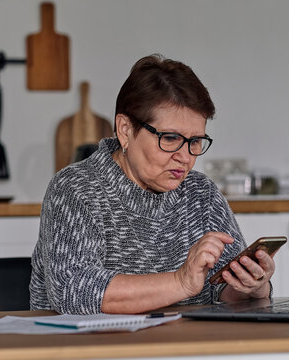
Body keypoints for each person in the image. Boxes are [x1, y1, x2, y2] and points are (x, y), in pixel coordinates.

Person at [30, 54, 275, 314]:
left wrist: (255, 285)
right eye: (170, 138)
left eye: (195, 142)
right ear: (125, 129)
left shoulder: (201, 194)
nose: (186, 157)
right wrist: (180, 282)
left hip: (184, 351)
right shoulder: (75, 188)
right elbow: (74, 291)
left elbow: (224, 291)